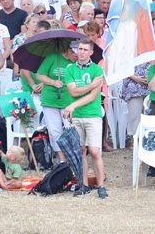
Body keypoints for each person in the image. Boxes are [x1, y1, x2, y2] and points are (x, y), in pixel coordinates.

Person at [63, 38, 109, 199]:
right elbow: (73, 92)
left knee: (95, 151)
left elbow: (93, 97)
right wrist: (91, 85)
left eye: (84, 50)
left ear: (90, 52)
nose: (81, 52)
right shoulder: (70, 70)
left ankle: (101, 185)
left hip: (92, 114)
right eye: (79, 49)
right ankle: (84, 185)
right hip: (77, 116)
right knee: (80, 150)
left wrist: (73, 105)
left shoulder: (97, 70)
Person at [35, 44, 78, 162]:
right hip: (50, 99)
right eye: (75, 54)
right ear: (69, 50)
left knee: (71, 129)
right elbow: (40, 75)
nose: (77, 57)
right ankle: (62, 159)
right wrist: (52, 82)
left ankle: (72, 157)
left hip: (68, 100)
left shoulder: (76, 63)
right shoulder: (53, 58)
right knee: (55, 131)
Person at [121, 63, 150, 139]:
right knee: (134, 114)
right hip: (133, 84)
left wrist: (150, 77)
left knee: (148, 114)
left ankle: (147, 138)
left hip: (150, 85)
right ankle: (134, 138)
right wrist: (135, 78)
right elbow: (122, 65)